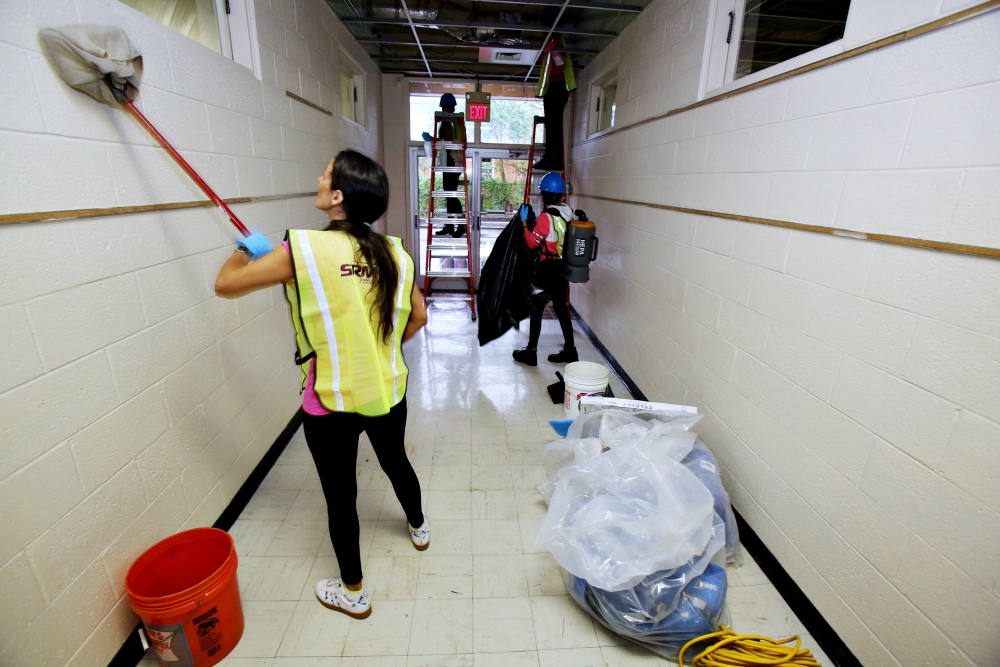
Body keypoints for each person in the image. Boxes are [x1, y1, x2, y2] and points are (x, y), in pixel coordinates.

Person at [214, 150, 429, 620]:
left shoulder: (303, 250)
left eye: (326, 174)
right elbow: (418, 316)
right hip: (387, 390)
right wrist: (384, 351)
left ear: (337, 197)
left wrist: (244, 249)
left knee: (340, 496)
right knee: (396, 461)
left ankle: (353, 592)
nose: (318, 176)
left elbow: (226, 285)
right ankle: (418, 526)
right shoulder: (396, 252)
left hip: (328, 400)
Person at [513, 172, 577, 366]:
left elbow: (533, 243)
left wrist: (525, 224)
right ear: (561, 196)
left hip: (546, 269)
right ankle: (570, 351)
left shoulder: (546, 217)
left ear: (544, 195)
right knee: (560, 308)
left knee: (537, 308)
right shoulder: (568, 213)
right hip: (561, 268)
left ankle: (531, 353)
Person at [533, 36, 575, 172]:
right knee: (551, 125)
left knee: (554, 125)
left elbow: (560, 63)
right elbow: (541, 60)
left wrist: (554, 52)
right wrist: (545, 52)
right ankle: (550, 157)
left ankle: (554, 159)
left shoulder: (557, 40)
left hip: (558, 86)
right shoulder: (549, 42)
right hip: (551, 88)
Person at [433, 92, 467, 237]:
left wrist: (434, 139)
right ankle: (449, 225)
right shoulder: (457, 122)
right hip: (455, 161)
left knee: (451, 195)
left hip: (451, 161)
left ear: (443, 107)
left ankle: (461, 225)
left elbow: (447, 139)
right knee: (450, 195)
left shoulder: (447, 122)